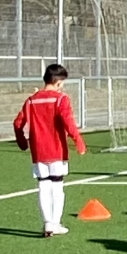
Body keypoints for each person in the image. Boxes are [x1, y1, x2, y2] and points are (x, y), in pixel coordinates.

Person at [12, 63, 86, 238]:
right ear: (58, 82)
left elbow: (17, 123)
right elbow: (68, 122)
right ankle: (55, 223)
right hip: (56, 150)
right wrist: (78, 141)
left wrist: (22, 141)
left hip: (38, 151)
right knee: (57, 187)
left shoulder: (31, 100)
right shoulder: (60, 99)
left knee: (43, 185)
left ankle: (47, 223)